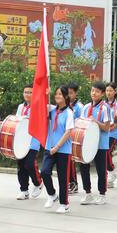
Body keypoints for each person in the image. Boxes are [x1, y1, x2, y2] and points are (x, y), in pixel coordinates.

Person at [40, 85, 74, 213]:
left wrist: (57, 147)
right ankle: (52, 194)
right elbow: (40, 104)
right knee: (44, 171)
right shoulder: (51, 110)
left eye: (60, 94)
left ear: (66, 96)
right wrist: (45, 94)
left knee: (63, 178)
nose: (57, 96)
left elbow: (68, 132)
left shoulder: (69, 113)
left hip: (63, 150)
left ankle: (64, 204)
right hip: (50, 147)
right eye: (56, 94)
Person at [80, 81, 111, 205]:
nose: (94, 93)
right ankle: (88, 193)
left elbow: (107, 128)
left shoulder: (105, 108)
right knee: (84, 167)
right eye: (92, 90)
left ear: (102, 94)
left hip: (101, 144)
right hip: (87, 144)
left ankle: (102, 194)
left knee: (101, 170)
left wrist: (95, 121)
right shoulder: (86, 107)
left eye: (97, 91)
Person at [15, 84, 43, 200]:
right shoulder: (21, 107)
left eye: (30, 92)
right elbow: (17, 121)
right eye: (26, 92)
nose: (27, 94)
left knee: (30, 164)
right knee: (21, 166)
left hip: (33, 139)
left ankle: (38, 183)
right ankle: (24, 190)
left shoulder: (38, 106)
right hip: (21, 141)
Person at [105, 82, 117, 187]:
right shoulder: (103, 104)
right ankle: (110, 174)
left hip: (114, 133)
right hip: (104, 133)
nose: (108, 93)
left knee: (107, 151)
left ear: (115, 92)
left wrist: (112, 125)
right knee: (103, 153)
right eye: (107, 90)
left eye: (110, 90)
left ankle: (111, 172)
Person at [68, 82, 83, 194]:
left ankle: (73, 184)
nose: (69, 96)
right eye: (67, 93)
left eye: (71, 93)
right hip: (65, 137)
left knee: (71, 161)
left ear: (76, 93)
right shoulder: (65, 105)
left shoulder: (79, 107)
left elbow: (81, 123)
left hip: (74, 136)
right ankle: (70, 183)